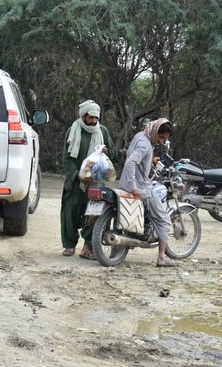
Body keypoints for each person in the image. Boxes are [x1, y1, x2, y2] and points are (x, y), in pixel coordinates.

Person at [61, 100, 114, 259]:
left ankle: (88, 247)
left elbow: (112, 152)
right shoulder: (73, 131)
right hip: (76, 183)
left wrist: (106, 152)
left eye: (96, 118)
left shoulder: (102, 131)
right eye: (90, 118)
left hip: (95, 182)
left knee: (93, 213)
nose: (93, 122)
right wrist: (77, 174)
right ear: (83, 116)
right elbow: (66, 159)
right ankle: (69, 245)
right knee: (70, 213)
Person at [119, 118, 176, 267]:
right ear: (156, 131)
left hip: (125, 183)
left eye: (165, 139)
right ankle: (162, 257)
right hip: (140, 187)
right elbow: (131, 161)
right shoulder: (145, 145)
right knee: (163, 219)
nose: (162, 141)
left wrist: (149, 163)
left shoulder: (141, 136)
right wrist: (134, 186)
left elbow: (135, 159)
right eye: (161, 137)